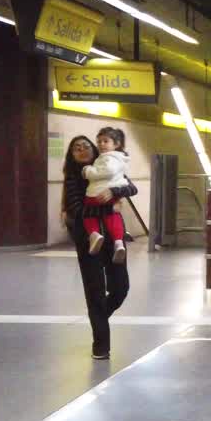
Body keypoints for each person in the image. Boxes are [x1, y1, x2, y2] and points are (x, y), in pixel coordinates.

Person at [62, 135, 137, 360]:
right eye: (77, 148)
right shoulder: (73, 178)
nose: (82, 150)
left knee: (121, 287)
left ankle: (99, 317)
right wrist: (108, 208)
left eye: (86, 146)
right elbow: (76, 209)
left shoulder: (107, 165)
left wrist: (114, 192)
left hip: (114, 237)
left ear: (95, 149)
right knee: (95, 290)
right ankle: (101, 345)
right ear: (72, 155)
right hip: (89, 240)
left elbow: (130, 187)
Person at [81, 127, 131, 264]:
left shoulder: (108, 158)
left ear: (116, 144)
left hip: (96, 193)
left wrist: (88, 171)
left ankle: (94, 234)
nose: (101, 144)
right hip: (110, 196)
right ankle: (119, 242)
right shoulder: (120, 159)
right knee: (112, 216)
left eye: (105, 141)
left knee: (88, 214)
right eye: (99, 142)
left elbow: (106, 171)